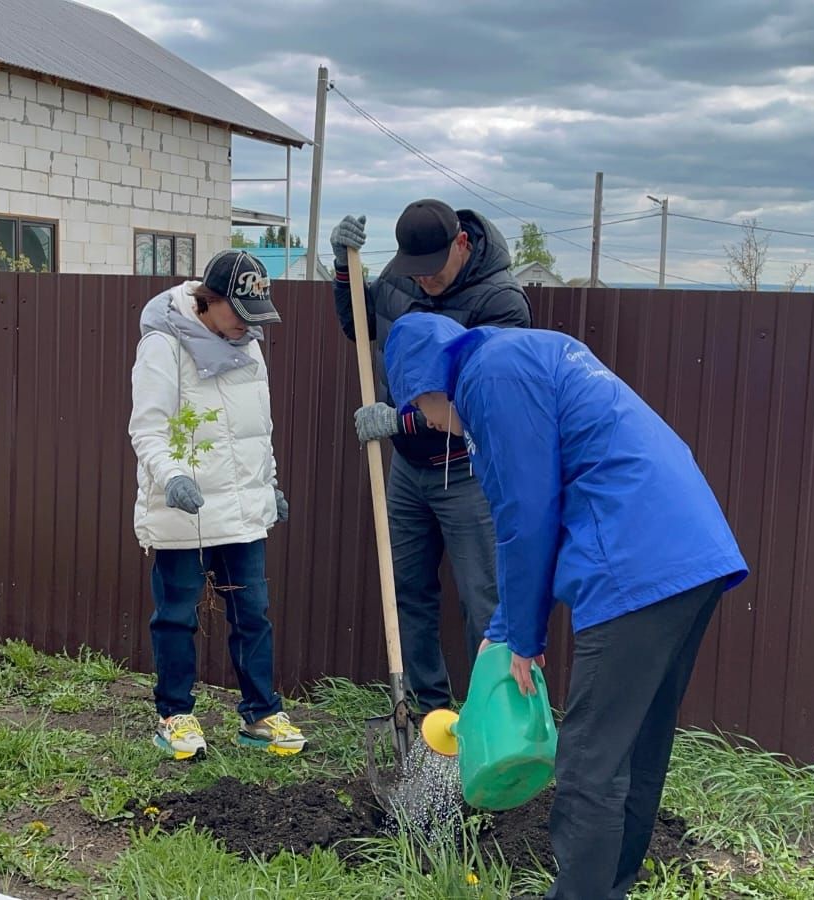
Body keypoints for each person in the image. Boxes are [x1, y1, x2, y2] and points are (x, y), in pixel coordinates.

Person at [382, 312, 749, 900]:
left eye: (419, 410)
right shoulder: (525, 354)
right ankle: (609, 888)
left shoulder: (489, 379)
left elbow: (526, 517)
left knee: (588, 761)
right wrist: (506, 627)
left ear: (426, 382)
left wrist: (524, 638)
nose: (429, 425)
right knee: (636, 743)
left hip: (636, 562)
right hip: (689, 554)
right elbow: (540, 502)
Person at [327, 200, 531, 714]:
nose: (424, 282)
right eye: (414, 270)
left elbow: (483, 401)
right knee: (407, 594)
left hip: (468, 472)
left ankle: (494, 720)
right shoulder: (402, 280)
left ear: (462, 243)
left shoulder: (501, 301)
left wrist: (399, 419)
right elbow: (360, 326)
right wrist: (342, 270)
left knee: (483, 600)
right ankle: (426, 712)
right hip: (408, 471)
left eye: (433, 270)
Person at [128, 249, 306, 759]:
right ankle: (175, 715)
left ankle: (261, 713)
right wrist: (173, 478)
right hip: (185, 506)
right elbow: (147, 428)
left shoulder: (248, 346)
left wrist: (269, 484)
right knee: (178, 613)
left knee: (253, 612)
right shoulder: (164, 345)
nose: (247, 327)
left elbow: (258, 430)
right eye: (239, 314)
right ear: (211, 300)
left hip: (243, 509)